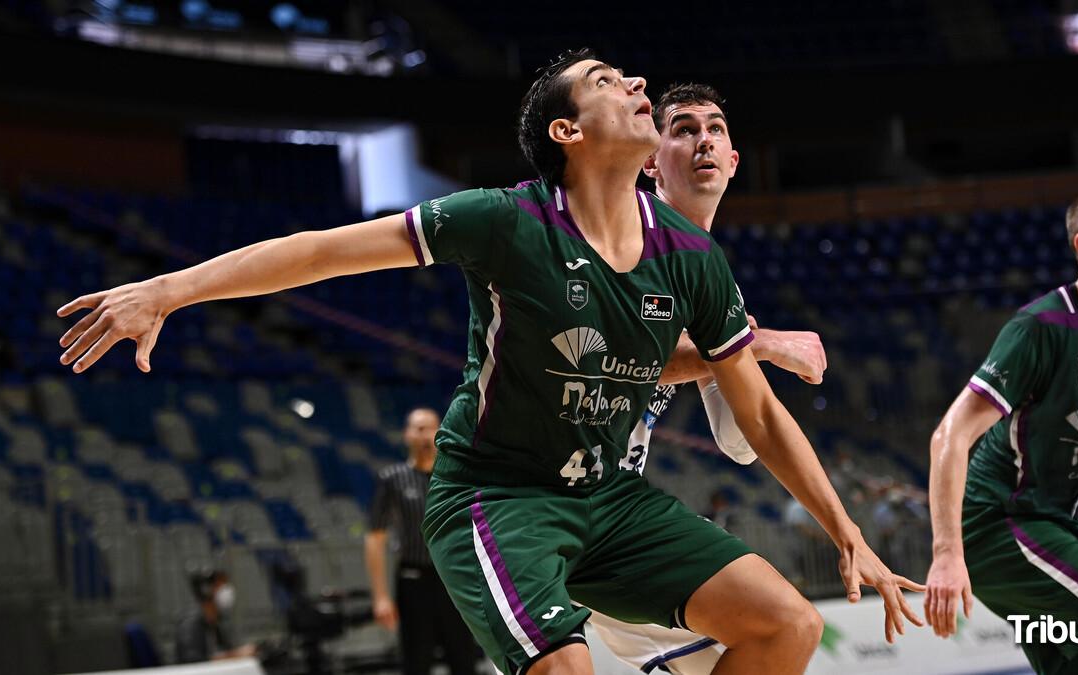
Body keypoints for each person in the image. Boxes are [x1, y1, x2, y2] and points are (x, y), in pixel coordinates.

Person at [57, 49, 920, 675]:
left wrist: (847, 535)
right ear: (567, 130)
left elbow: (762, 416)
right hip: (499, 496)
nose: (637, 85)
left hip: (613, 502)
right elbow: (318, 251)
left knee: (787, 625)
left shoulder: (691, 257)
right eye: (608, 82)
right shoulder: (506, 220)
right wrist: (168, 290)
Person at [585, 82, 826, 675]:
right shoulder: (623, 235)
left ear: (734, 159)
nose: (703, 142)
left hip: (613, 503)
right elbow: (607, 356)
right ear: (650, 160)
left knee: (774, 645)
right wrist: (752, 345)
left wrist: (739, 358)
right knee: (780, 630)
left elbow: (739, 444)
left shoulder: (714, 281)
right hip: (558, 494)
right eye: (684, 130)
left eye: (715, 129)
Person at [924, 181, 1078, 673]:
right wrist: (946, 553)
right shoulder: (1040, 328)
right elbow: (950, 436)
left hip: (1064, 532)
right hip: (1005, 530)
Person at [366, 407, 479, 674]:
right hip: (413, 579)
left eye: (429, 427)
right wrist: (381, 596)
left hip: (454, 580)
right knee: (416, 661)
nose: (424, 434)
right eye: (417, 428)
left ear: (439, 432)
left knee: (464, 658)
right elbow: (375, 537)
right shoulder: (391, 478)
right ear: (406, 435)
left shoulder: (456, 477)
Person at [174, 568, 258, 664]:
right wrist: (236, 655)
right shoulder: (190, 624)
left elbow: (226, 650)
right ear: (206, 590)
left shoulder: (214, 622)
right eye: (221, 585)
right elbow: (193, 661)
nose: (227, 590)